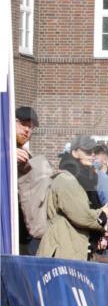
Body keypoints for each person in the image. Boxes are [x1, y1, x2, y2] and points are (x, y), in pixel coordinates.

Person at [38, 134, 108, 261]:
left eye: (94, 151)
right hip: (64, 249)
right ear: (75, 152)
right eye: (88, 151)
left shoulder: (85, 179)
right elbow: (80, 215)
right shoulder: (67, 179)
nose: (92, 155)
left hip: (76, 247)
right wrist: (102, 214)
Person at [15, 105, 52, 255]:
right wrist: (6, 155)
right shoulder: (8, 150)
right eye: (23, 124)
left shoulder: (28, 154)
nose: (27, 130)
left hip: (26, 233)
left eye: (31, 128)